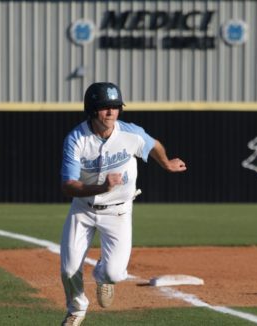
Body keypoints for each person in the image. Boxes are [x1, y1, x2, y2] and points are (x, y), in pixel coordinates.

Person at [60, 82, 186, 326]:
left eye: (115, 107)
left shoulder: (130, 133)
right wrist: (102, 188)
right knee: (68, 270)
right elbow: (68, 186)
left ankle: (102, 277)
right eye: (104, 107)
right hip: (83, 209)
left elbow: (154, 145)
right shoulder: (76, 139)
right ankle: (76, 309)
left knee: (114, 274)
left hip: (118, 211)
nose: (111, 112)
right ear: (91, 110)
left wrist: (167, 163)